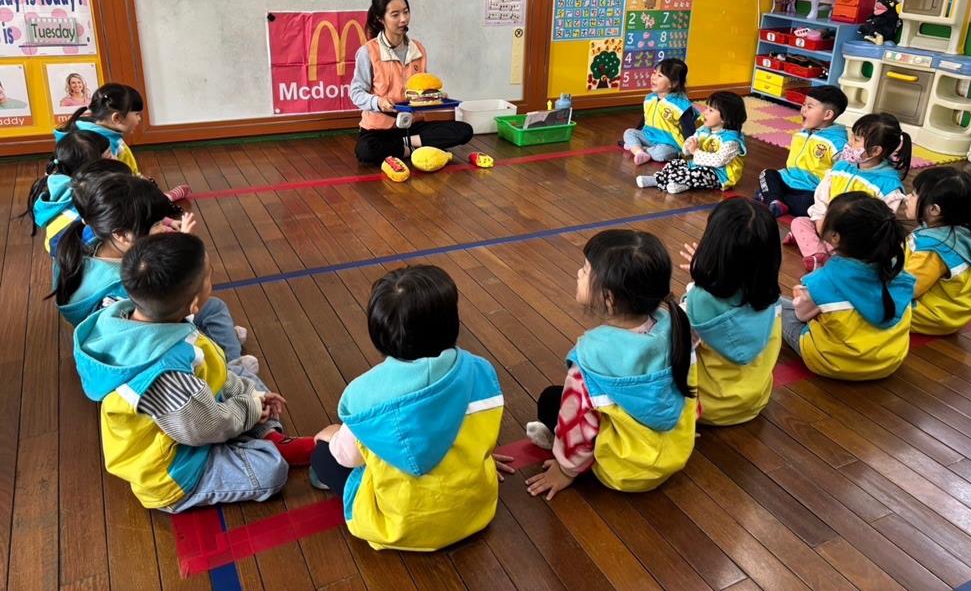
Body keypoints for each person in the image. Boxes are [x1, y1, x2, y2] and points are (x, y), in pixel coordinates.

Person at [73, 232, 313, 512]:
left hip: (190, 418)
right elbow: (206, 427)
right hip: (173, 470)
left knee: (243, 380)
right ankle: (262, 443)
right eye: (209, 275)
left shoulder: (136, 317)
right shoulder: (163, 375)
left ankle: (269, 437)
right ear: (194, 305)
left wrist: (249, 399)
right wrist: (250, 407)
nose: (212, 275)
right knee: (270, 471)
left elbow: (212, 375)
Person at [310, 265, 506, 551]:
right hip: (473, 511)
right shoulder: (481, 370)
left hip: (401, 525)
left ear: (378, 332)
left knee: (322, 457)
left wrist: (331, 434)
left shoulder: (363, 393)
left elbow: (348, 457)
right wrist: (476, 457)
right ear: (452, 322)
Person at [524, 230, 697, 499]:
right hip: (675, 454)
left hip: (621, 470)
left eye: (585, 270)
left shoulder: (589, 359)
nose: (579, 273)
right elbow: (689, 391)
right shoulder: (678, 328)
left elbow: (576, 425)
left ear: (609, 297)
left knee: (551, 400)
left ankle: (559, 449)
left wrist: (565, 470)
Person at [49, 173, 248, 366]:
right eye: (157, 224)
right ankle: (233, 365)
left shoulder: (85, 245)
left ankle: (221, 338)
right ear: (122, 235)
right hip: (141, 346)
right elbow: (166, 307)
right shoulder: (124, 281)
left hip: (114, 333)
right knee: (213, 307)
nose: (163, 228)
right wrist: (182, 251)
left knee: (209, 312)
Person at [781, 192, 914, 380]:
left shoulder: (823, 280)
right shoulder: (898, 273)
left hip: (835, 362)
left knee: (777, 306)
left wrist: (803, 296)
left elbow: (801, 314)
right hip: (889, 360)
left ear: (835, 236)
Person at [680, 199, 782, 425]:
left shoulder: (697, 302)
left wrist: (696, 287)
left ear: (712, 245)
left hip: (704, 407)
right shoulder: (771, 297)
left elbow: (672, 353)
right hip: (754, 402)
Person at [349, 0, 473, 165]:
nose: (403, 19)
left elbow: (421, 88)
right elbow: (356, 92)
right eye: (395, 14)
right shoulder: (368, 51)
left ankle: (404, 146)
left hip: (413, 125)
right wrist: (378, 102)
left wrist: (435, 96)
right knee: (366, 151)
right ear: (380, 18)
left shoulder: (418, 49)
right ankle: (415, 147)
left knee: (464, 130)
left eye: (406, 12)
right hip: (379, 128)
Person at [788, 112, 910, 271]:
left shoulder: (888, 185)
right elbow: (822, 195)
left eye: (856, 140)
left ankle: (821, 253)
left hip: (854, 239)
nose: (849, 142)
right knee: (799, 222)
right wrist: (820, 219)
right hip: (827, 224)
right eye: (852, 136)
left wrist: (846, 236)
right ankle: (820, 254)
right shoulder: (842, 166)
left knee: (860, 254)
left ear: (875, 151)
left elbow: (882, 224)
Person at [904, 167, 971, 335]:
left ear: (934, 210)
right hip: (955, 311)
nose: (907, 197)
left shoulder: (934, 249)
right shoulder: (961, 231)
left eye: (913, 194)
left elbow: (908, 289)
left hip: (935, 316)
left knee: (864, 302)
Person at [54, 83, 191, 203]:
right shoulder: (96, 145)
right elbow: (105, 188)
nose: (139, 119)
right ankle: (164, 199)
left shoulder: (91, 131)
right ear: (117, 118)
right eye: (137, 114)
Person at [755, 85, 849, 218]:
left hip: (809, 189)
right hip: (788, 179)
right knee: (766, 174)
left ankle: (772, 198)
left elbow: (843, 171)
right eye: (804, 104)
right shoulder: (803, 133)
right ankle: (775, 199)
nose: (803, 109)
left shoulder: (837, 142)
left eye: (809, 107)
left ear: (827, 114)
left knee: (808, 203)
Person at [637, 91, 747, 193]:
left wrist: (695, 151)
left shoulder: (732, 141)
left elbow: (719, 161)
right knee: (675, 163)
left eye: (711, 110)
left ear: (725, 118)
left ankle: (657, 180)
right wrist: (688, 146)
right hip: (698, 164)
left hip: (719, 175)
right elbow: (690, 143)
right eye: (706, 108)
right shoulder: (704, 129)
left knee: (695, 174)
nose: (705, 113)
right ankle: (682, 184)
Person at [23, 130, 110, 250]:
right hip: (77, 255)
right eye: (110, 156)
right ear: (91, 170)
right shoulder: (83, 202)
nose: (116, 158)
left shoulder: (59, 185)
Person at [622, 58, 700, 165]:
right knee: (629, 133)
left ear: (673, 83)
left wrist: (691, 150)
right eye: (654, 73)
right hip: (649, 136)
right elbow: (645, 120)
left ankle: (638, 148)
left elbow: (689, 130)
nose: (653, 77)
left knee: (661, 154)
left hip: (669, 143)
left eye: (659, 76)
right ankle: (639, 152)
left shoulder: (681, 105)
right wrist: (637, 133)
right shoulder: (650, 98)